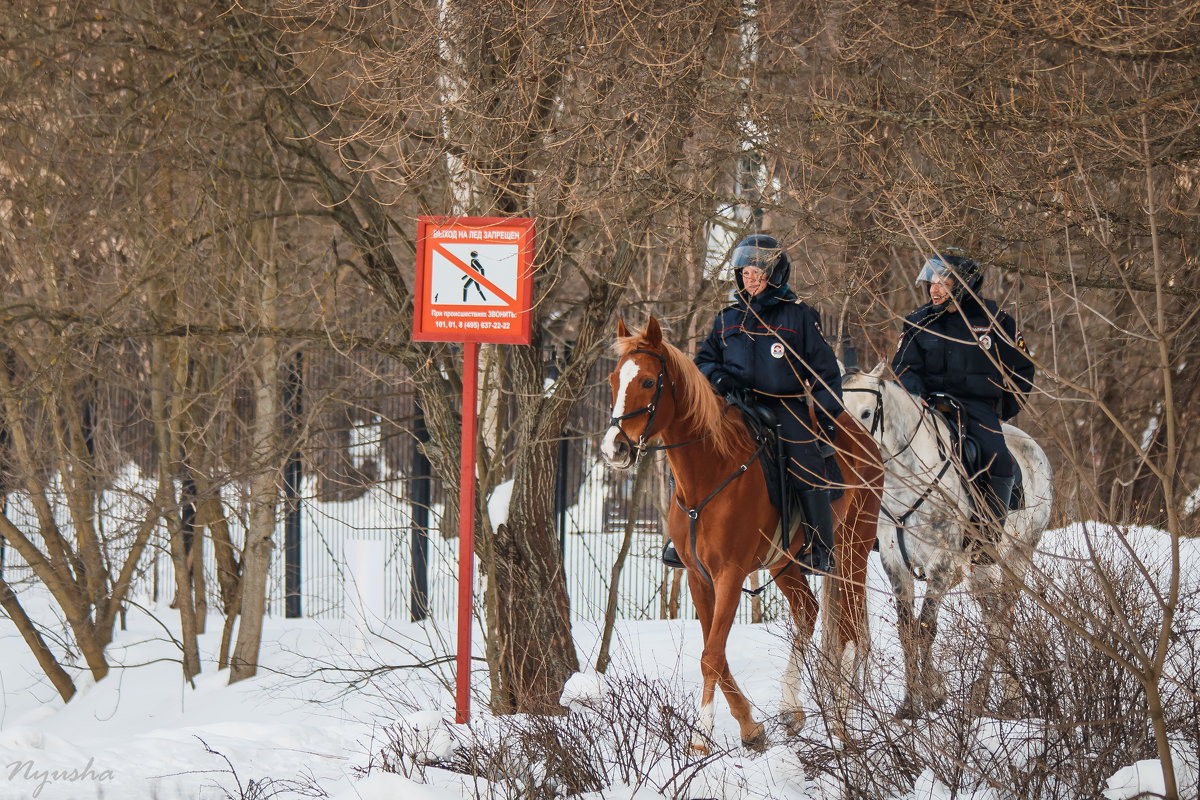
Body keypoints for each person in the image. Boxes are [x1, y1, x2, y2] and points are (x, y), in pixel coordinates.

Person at [662, 233, 843, 573]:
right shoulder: (729, 317)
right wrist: (719, 379)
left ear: (774, 274)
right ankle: (679, 537)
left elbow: (825, 374)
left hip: (783, 407)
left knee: (805, 457)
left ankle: (820, 548)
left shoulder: (799, 316)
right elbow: (703, 361)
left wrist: (826, 417)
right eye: (744, 272)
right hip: (732, 407)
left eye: (756, 273)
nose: (749, 279)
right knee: (687, 451)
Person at [891, 249, 1035, 540]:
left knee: (999, 459)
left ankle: (987, 538)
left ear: (963, 284)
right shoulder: (918, 320)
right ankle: (892, 529)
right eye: (931, 282)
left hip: (977, 408)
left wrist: (1002, 409)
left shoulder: (995, 321)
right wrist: (913, 394)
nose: (933, 288)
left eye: (942, 282)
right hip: (927, 404)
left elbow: (1022, 368)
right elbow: (904, 367)